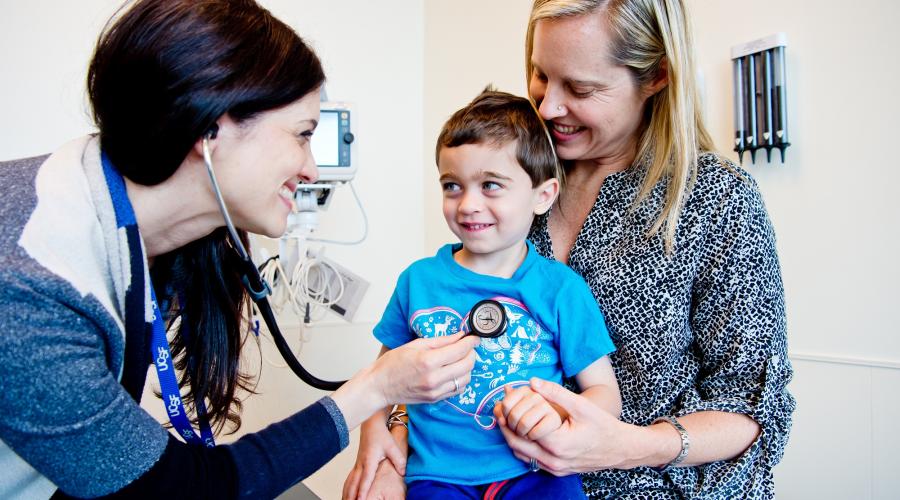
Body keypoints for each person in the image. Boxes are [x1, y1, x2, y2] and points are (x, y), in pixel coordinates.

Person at [0, 0, 480, 498]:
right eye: (302, 135)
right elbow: (175, 489)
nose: (311, 170)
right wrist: (374, 389)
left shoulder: (129, 234)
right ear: (210, 128)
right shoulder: (29, 285)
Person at [347, 1, 796, 499]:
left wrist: (627, 445)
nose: (548, 107)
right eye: (541, 74)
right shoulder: (516, 176)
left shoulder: (717, 199)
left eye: (580, 88)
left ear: (657, 77)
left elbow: (754, 409)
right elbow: (434, 341)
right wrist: (390, 441)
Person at [344, 89, 621, 500]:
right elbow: (380, 380)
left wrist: (557, 411)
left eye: (491, 185)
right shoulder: (418, 282)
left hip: (538, 471)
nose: (468, 204)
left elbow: (605, 396)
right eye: (452, 186)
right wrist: (372, 434)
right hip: (438, 478)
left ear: (542, 196)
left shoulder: (562, 289)